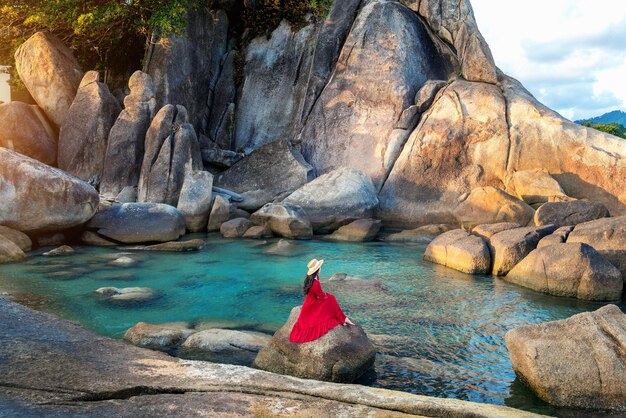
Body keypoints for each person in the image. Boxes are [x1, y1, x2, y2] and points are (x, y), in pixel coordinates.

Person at [289, 258, 355, 343]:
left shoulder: (310, 278)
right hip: (313, 303)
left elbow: (318, 293)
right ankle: (343, 318)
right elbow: (321, 296)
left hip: (309, 301)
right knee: (331, 298)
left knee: (331, 297)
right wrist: (327, 296)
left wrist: (326, 295)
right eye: (320, 267)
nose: (321, 268)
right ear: (317, 270)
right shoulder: (315, 282)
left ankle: (343, 318)